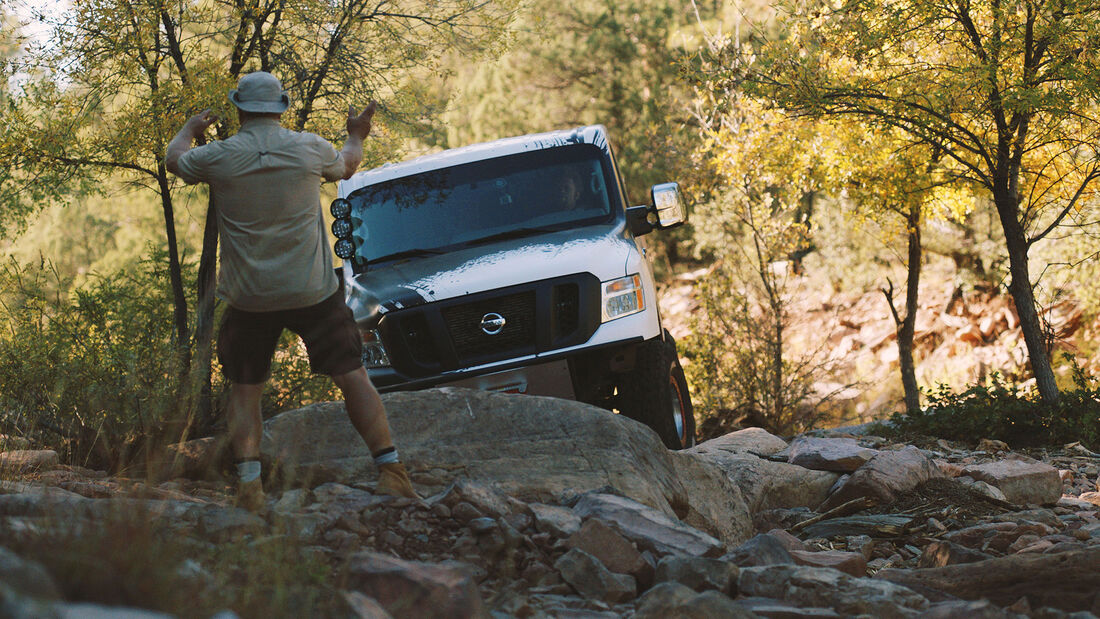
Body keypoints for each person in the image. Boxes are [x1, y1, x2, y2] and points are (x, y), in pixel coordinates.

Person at [165, 71, 418, 511]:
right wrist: (357, 133)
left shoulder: (218, 157)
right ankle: (392, 472)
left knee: (245, 389)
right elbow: (348, 163)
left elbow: (174, 160)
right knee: (352, 376)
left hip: (249, 298)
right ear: (281, 106)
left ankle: (249, 489)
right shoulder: (308, 148)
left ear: (239, 108)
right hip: (313, 293)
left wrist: (190, 128)